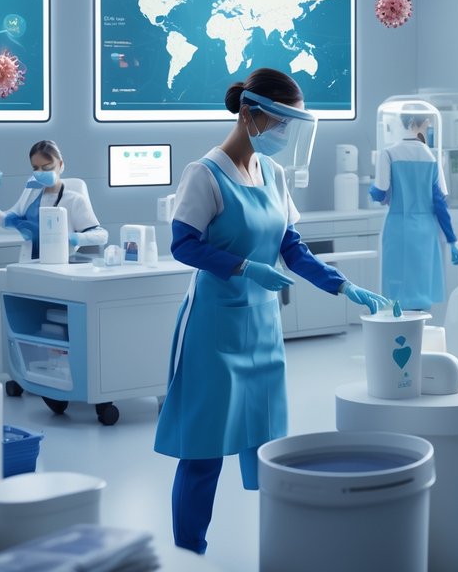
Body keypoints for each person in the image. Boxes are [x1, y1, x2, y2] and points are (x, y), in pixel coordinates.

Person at [154, 68, 390, 556]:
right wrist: (244, 267)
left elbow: (292, 247)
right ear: (249, 112)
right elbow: (182, 244)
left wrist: (344, 286)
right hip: (213, 328)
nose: (284, 133)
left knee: (266, 444)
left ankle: (280, 548)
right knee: (203, 452)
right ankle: (186, 554)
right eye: (280, 122)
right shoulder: (205, 173)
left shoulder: (274, 174)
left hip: (261, 328)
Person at [369, 111, 458, 311]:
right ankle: (419, 337)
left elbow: (380, 192)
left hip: (398, 227)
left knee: (397, 293)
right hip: (425, 231)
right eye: (427, 124)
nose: (427, 128)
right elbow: (440, 203)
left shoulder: (389, 153)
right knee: (421, 290)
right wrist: (452, 241)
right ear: (417, 123)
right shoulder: (432, 156)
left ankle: (398, 337)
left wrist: (372, 188)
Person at [0, 139, 107, 261]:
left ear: (60, 165)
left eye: (47, 167)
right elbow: (5, 221)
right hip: (29, 263)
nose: (40, 172)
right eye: (35, 168)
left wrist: (72, 238)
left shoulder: (74, 200)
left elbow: (101, 236)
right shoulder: (31, 192)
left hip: (60, 264)